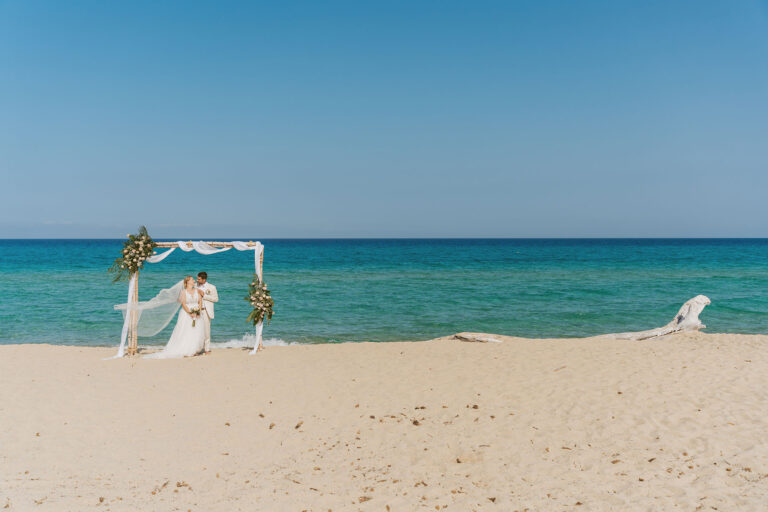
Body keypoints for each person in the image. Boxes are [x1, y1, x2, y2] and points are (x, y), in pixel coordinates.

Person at [144, 276, 205, 359]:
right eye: (192, 280)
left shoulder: (197, 290)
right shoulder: (183, 292)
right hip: (187, 314)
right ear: (187, 282)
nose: (194, 280)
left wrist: (198, 311)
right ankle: (185, 349)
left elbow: (200, 301)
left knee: (196, 331)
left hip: (197, 313)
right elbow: (183, 304)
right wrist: (190, 313)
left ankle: (194, 350)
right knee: (186, 331)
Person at [196, 271, 218, 354]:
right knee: (196, 330)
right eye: (197, 279)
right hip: (196, 311)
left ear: (204, 279)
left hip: (205, 310)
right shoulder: (194, 286)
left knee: (206, 330)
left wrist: (204, 295)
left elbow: (216, 299)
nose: (197, 280)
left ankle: (207, 349)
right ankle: (197, 348)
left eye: (199, 279)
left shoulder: (212, 287)